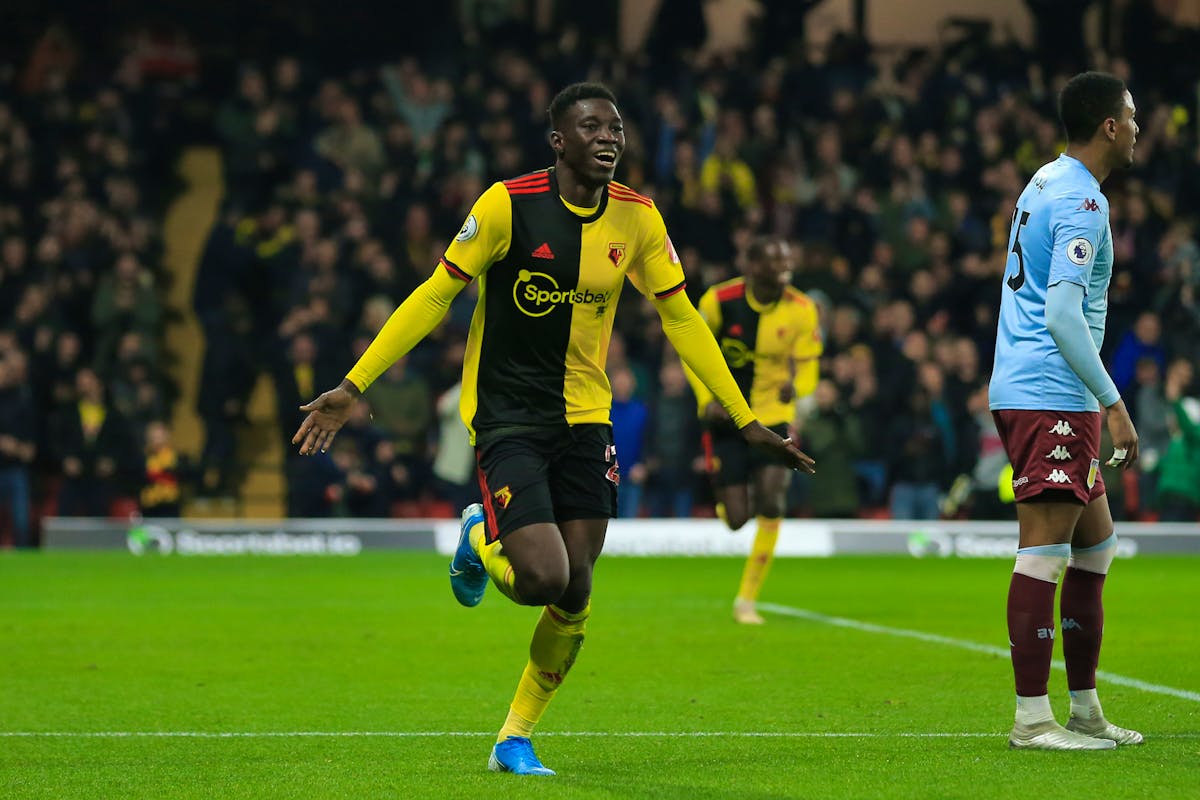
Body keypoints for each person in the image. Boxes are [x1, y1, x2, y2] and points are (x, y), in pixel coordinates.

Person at [291, 82, 814, 775]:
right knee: (541, 577)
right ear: (559, 141)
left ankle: (514, 738)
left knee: (576, 589)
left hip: (587, 419)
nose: (608, 138)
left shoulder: (638, 218)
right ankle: (478, 537)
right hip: (508, 417)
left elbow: (682, 317)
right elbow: (434, 294)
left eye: (616, 128)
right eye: (591, 126)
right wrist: (354, 384)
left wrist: (744, 418)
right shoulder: (506, 205)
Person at [989, 71, 1143, 751]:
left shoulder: (1044, 179)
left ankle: (1084, 710)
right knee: (1044, 555)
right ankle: (1033, 720)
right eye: (1131, 117)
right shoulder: (1083, 201)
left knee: (1096, 545)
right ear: (1109, 126)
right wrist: (1114, 403)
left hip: (1043, 387)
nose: (1138, 128)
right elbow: (1060, 314)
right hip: (1049, 391)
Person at [684, 237, 822, 624]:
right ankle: (727, 497)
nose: (785, 267)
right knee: (736, 519)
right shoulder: (718, 300)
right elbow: (690, 350)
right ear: (754, 265)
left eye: (788, 259)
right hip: (727, 415)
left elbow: (809, 365)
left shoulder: (802, 309)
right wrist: (705, 400)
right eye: (776, 261)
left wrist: (799, 388)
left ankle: (746, 599)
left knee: (773, 500)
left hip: (773, 416)